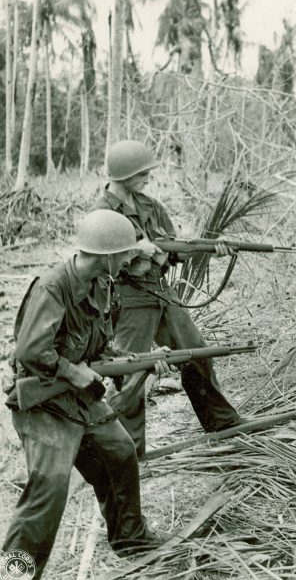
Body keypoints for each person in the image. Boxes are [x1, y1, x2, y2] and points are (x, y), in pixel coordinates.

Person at [2, 210, 166, 579]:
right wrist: (74, 371)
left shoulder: (103, 285)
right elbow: (31, 352)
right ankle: (16, 574)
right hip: (44, 401)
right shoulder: (53, 286)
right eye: (124, 254)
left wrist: (143, 362)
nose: (128, 260)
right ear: (106, 254)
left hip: (80, 397)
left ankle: (130, 539)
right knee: (50, 487)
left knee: (121, 452)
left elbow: (100, 351)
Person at [92, 140, 240, 457]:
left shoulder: (150, 206)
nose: (148, 177)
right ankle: (128, 450)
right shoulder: (101, 213)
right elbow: (97, 260)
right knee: (131, 372)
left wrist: (209, 249)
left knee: (197, 351)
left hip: (161, 291)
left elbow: (175, 248)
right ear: (123, 173)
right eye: (142, 172)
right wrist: (135, 250)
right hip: (127, 297)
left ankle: (221, 422)